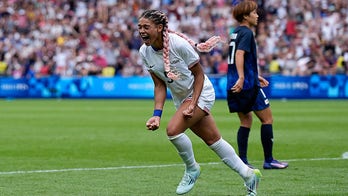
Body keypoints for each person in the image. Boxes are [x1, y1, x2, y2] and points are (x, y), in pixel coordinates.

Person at [138, 9, 261, 195]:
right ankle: (249, 174)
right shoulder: (144, 51)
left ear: (159, 27)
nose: (141, 31)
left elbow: (199, 75)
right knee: (213, 140)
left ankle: (192, 169)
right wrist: (157, 115)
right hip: (182, 98)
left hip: (200, 92)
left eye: (146, 27)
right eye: (139, 27)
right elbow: (160, 85)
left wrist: (193, 104)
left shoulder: (178, 44)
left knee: (173, 131)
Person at [226, 1, 288, 169]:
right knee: (267, 119)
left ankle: (243, 162)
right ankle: (269, 160)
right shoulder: (246, 32)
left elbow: (238, 58)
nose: (257, 15)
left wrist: (255, 75)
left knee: (246, 121)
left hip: (234, 83)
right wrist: (243, 77)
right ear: (245, 16)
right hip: (246, 84)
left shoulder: (235, 32)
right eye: (254, 12)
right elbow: (239, 54)